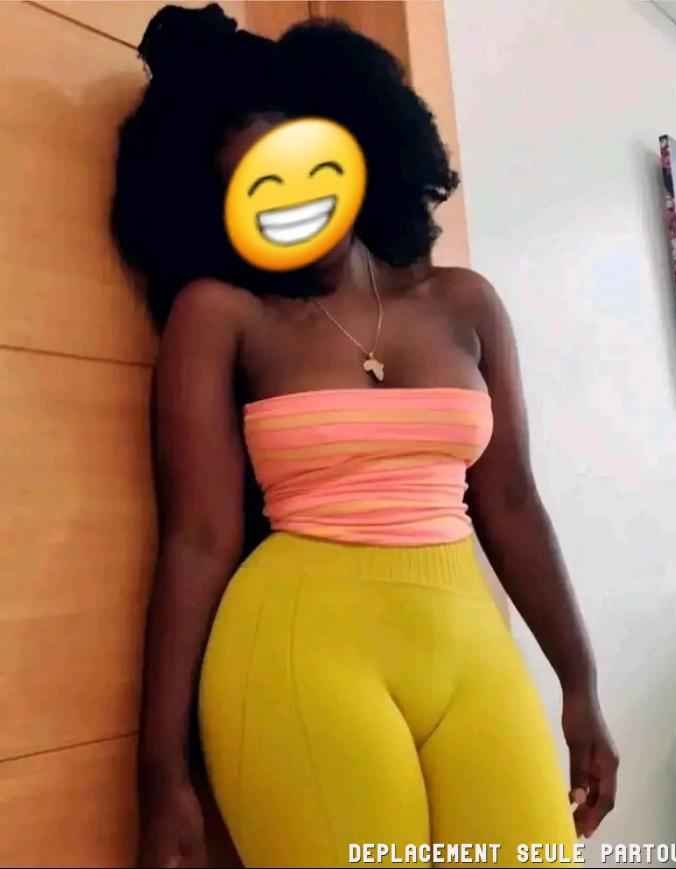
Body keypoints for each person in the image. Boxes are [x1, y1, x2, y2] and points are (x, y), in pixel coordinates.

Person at [112, 4, 618, 868]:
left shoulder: (464, 303)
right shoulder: (223, 315)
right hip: (298, 649)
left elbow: (511, 503)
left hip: (468, 643)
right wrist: (158, 769)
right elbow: (197, 538)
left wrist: (581, 686)